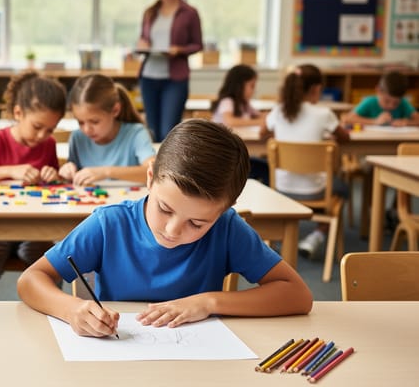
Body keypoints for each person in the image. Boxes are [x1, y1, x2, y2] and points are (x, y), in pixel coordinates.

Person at [16, 119, 312, 336]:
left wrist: (208, 302)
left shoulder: (228, 228)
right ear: (149, 178)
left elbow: (297, 295)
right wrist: (71, 310)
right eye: (165, 208)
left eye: (197, 223)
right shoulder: (110, 224)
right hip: (117, 361)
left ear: (223, 211)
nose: (173, 230)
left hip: (196, 364)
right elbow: (31, 280)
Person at [0, 71, 67, 300]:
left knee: (53, 265)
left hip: (34, 226)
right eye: (37, 126)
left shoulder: (48, 144)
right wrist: (10, 171)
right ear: (18, 113)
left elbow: (51, 185)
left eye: (49, 129)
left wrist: (52, 175)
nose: (42, 135)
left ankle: (53, 317)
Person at [259, 64, 350, 260]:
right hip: (315, 191)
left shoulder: (278, 111)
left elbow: (261, 133)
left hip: (281, 189)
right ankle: (316, 236)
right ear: (316, 89)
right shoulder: (324, 114)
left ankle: (275, 241)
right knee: (343, 188)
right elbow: (345, 138)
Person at [136, 0, 203, 142]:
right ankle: (155, 169)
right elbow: (143, 38)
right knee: (152, 130)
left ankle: (169, 169)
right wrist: (142, 44)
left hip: (175, 79)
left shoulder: (189, 13)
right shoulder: (150, 12)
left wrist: (179, 50)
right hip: (149, 76)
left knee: (169, 130)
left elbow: (198, 44)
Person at [58, 74, 155, 186]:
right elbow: (73, 179)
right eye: (80, 122)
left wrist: (106, 172)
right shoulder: (77, 138)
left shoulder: (136, 133)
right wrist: (67, 171)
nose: (87, 129)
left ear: (115, 110)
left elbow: (155, 172)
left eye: (95, 121)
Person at [211, 64, 269, 184]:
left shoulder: (244, 104)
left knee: (265, 166)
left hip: (237, 153)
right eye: (251, 86)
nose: (254, 90)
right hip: (224, 157)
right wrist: (259, 121)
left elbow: (260, 115)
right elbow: (230, 121)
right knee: (265, 168)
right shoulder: (227, 101)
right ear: (239, 85)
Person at [341, 70, 419, 127]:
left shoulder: (403, 103)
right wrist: (375, 121)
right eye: (387, 101)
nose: (391, 106)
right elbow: (347, 118)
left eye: (396, 103)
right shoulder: (370, 102)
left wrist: (406, 122)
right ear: (378, 91)